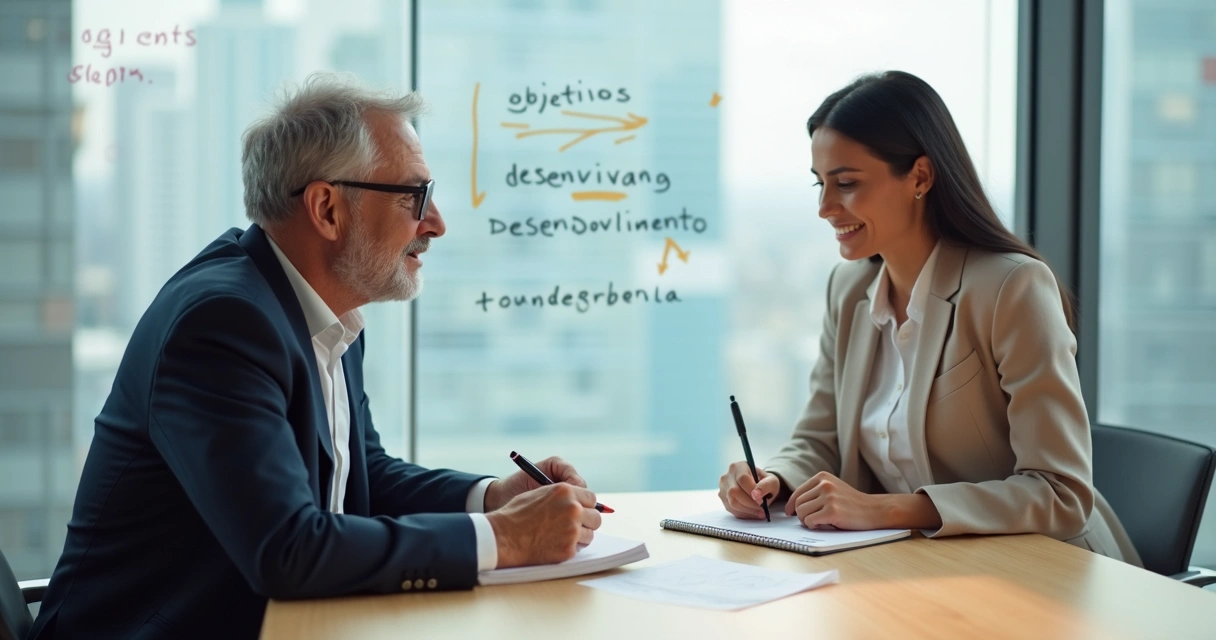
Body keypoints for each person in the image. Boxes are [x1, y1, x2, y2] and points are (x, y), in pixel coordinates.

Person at [30, 73, 603, 640]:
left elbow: (362, 477)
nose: (436, 223)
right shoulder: (222, 325)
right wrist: (505, 538)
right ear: (327, 209)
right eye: (414, 196)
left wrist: (491, 498)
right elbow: (288, 549)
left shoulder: (321, 308)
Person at [718, 71, 1140, 565]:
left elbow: (1059, 493)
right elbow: (819, 438)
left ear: (919, 176)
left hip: (1044, 571)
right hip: (927, 570)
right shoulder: (849, 290)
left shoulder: (1011, 288)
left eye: (847, 183)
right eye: (820, 184)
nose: (824, 208)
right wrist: (773, 480)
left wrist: (885, 510)